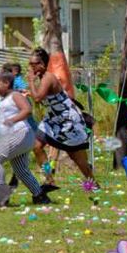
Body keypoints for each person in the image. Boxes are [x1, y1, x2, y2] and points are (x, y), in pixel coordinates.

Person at [27, 47, 97, 189]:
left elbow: (38, 98)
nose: (33, 67)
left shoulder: (48, 78)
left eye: (36, 63)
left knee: (76, 157)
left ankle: (94, 185)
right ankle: (49, 180)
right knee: (37, 146)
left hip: (67, 121)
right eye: (31, 64)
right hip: (53, 119)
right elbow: (41, 96)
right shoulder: (41, 78)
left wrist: (31, 82)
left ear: (44, 64)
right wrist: (29, 91)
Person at [0, 72, 48, 206]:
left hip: (20, 133)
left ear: (7, 83)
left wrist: (13, 120)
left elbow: (27, 109)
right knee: (20, 170)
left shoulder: (15, 95)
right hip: (22, 137)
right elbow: (2, 120)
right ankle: (40, 195)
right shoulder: (4, 101)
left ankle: (1, 197)